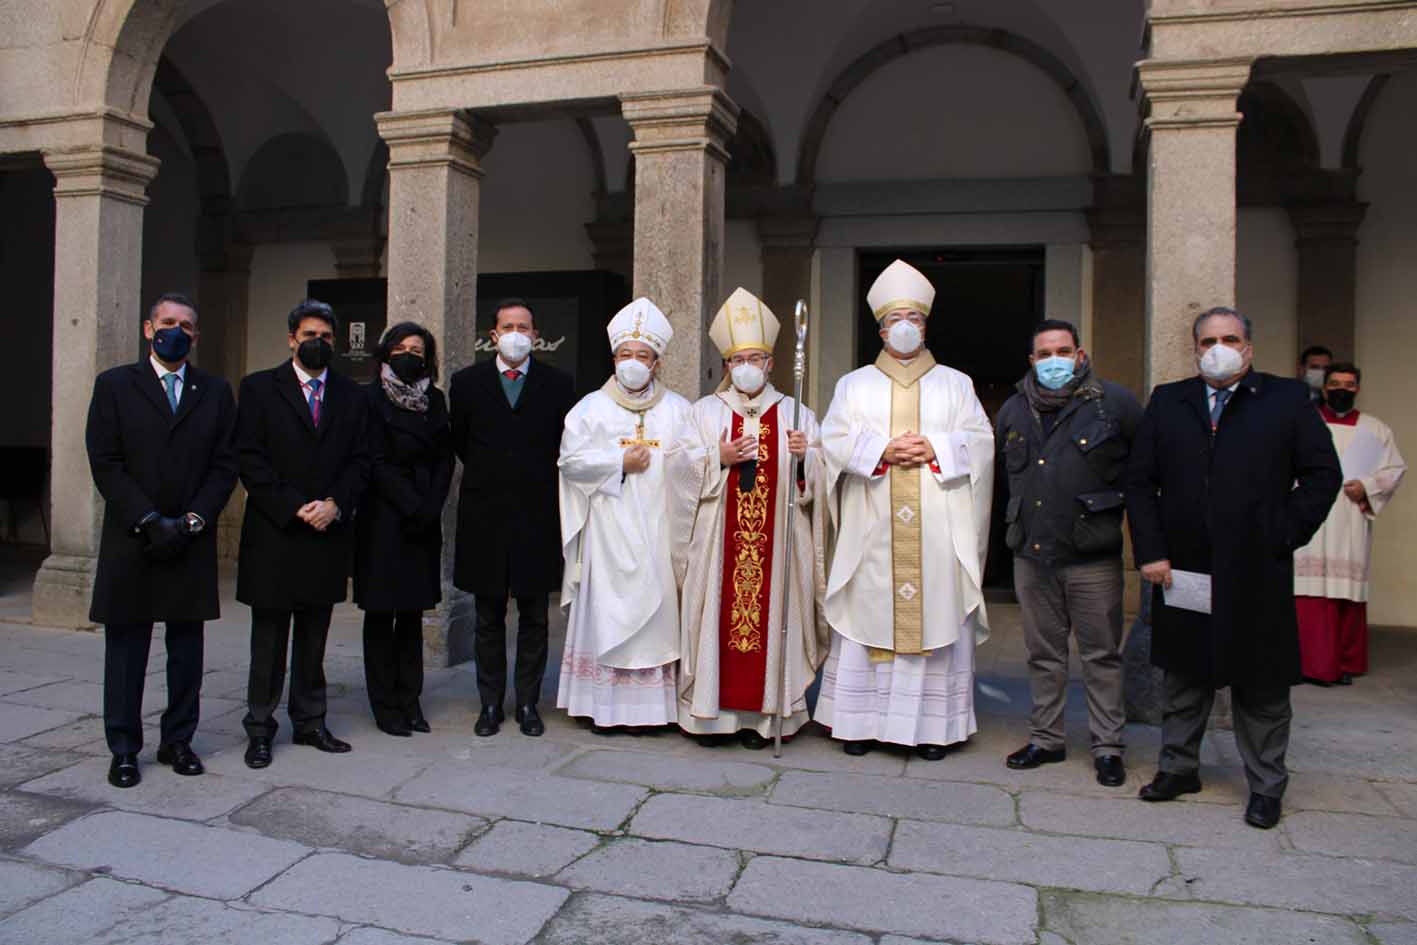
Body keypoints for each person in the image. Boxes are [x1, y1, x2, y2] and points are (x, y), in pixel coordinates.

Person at [1126, 306, 1340, 829]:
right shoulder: (1169, 400)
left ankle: (1266, 785)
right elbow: (1139, 481)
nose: (1217, 348)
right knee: (1184, 675)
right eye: (1206, 341)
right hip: (1185, 567)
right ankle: (1178, 768)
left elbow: (1321, 475)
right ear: (1195, 348)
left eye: (1229, 338)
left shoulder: (1285, 399)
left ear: (1248, 347)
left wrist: (1283, 533)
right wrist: (1152, 551)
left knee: (1261, 681)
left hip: (1257, 568)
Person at [816, 259, 995, 760]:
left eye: (914, 319)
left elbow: (981, 441)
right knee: (868, 613)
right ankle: (859, 724)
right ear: (880, 328)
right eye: (895, 319)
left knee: (934, 614)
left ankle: (932, 730)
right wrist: (881, 451)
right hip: (874, 524)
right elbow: (831, 441)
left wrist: (936, 447)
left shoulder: (956, 384)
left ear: (926, 325)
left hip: (937, 527)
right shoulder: (854, 385)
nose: (904, 328)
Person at [85, 293, 238, 788]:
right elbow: (105, 461)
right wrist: (149, 518)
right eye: (168, 322)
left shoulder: (213, 392)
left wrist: (194, 518)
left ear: (196, 336)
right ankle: (125, 748)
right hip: (134, 537)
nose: (178, 331)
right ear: (148, 329)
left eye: (187, 326)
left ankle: (179, 740)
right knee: (127, 648)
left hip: (190, 538)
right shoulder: (114, 386)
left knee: (186, 649)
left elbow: (225, 463)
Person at [993, 319, 1143, 786]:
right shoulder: (1015, 410)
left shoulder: (1113, 404)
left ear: (1079, 355)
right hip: (1033, 555)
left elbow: (1141, 477)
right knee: (1043, 654)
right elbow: (1002, 479)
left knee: (1100, 655)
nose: (1054, 360)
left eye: (1064, 351)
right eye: (1045, 353)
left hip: (1092, 555)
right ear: (1032, 361)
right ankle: (1046, 739)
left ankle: (1108, 746)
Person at [679, 288, 829, 749]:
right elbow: (677, 471)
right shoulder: (704, 412)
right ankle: (713, 717)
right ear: (726, 365)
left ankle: (767, 720)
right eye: (738, 358)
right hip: (717, 542)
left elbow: (817, 488)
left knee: (773, 620)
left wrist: (808, 461)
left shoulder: (796, 412)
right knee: (715, 621)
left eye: (757, 357)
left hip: (778, 546)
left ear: (771, 363)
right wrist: (715, 457)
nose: (747, 365)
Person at [556, 297, 710, 731]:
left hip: (660, 532)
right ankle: (602, 706)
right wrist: (618, 463)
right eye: (626, 355)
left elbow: (696, 463)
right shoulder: (590, 409)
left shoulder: (680, 410)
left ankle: (654, 711)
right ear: (614, 358)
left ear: (657, 362)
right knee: (609, 611)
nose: (633, 363)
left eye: (643, 356)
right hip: (608, 532)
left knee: (658, 612)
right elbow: (570, 463)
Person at [236, 299, 371, 769]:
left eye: (327, 337)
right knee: (269, 641)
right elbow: (249, 457)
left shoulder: (353, 396)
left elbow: (361, 460)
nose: (318, 343)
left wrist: (336, 504)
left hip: (326, 534)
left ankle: (311, 721)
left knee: (315, 638)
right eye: (309, 334)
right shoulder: (257, 389)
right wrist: (294, 505)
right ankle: (260, 727)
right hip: (276, 533)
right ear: (292, 338)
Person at [450, 298, 576, 737]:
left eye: (524, 326)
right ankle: (489, 704)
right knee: (487, 616)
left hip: (537, 515)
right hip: (484, 515)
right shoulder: (466, 384)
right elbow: (462, 442)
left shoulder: (559, 385)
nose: (517, 333)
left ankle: (527, 702)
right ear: (494, 336)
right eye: (509, 326)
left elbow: (566, 446)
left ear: (535, 334)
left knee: (534, 617)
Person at [354, 322, 453, 736]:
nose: (410, 354)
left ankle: (410, 700)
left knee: (412, 617)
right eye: (402, 347)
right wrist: (410, 503)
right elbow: (371, 459)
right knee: (381, 616)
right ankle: (384, 705)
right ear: (386, 351)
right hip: (382, 520)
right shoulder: (369, 397)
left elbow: (445, 457)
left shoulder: (435, 399)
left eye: (418, 349)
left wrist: (430, 506)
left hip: (423, 523)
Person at [1294, 362, 1406, 685]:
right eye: (1336, 383)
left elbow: (1394, 469)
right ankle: (1308, 664)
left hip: (1349, 515)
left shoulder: (1375, 429)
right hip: (1310, 514)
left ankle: (1344, 663)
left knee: (1346, 593)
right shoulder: (1305, 422)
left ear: (1358, 388)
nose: (1343, 389)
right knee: (1307, 593)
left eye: (1350, 384)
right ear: (1325, 387)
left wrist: (1367, 487)